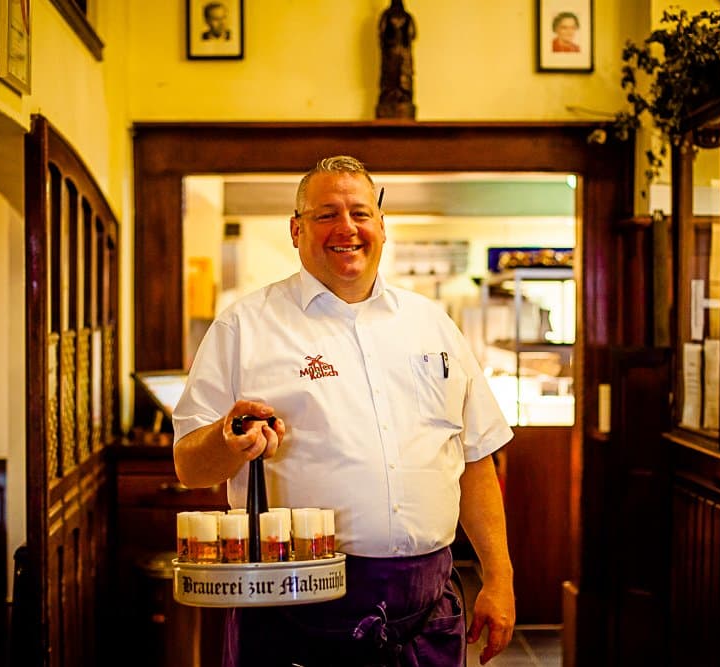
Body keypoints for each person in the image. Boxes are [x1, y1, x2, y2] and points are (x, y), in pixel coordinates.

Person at [173, 155, 516, 666]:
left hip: (428, 608)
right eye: (325, 214)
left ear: (382, 225)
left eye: (360, 213)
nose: (346, 228)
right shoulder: (244, 327)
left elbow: (474, 458)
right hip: (297, 608)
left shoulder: (432, 324)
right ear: (296, 229)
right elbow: (188, 467)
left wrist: (499, 577)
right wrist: (226, 441)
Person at [377, 0, 417, 119]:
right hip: (401, 54)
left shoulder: (386, 15)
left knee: (392, 82)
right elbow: (413, 34)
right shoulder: (407, 17)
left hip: (392, 54)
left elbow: (381, 34)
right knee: (401, 81)